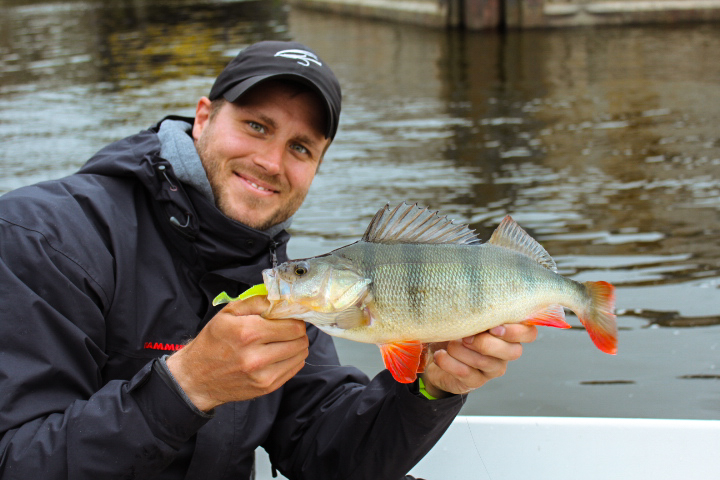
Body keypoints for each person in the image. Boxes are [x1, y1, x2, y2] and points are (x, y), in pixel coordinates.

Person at [0, 40, 537, 480]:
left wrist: (431, 386)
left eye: (301, 147)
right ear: (203, 117)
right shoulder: (43, 237)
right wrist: (186, 386)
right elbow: (16, 459)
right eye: (256, 126)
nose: (270, 161)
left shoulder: (277, 273)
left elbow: (329, 455)